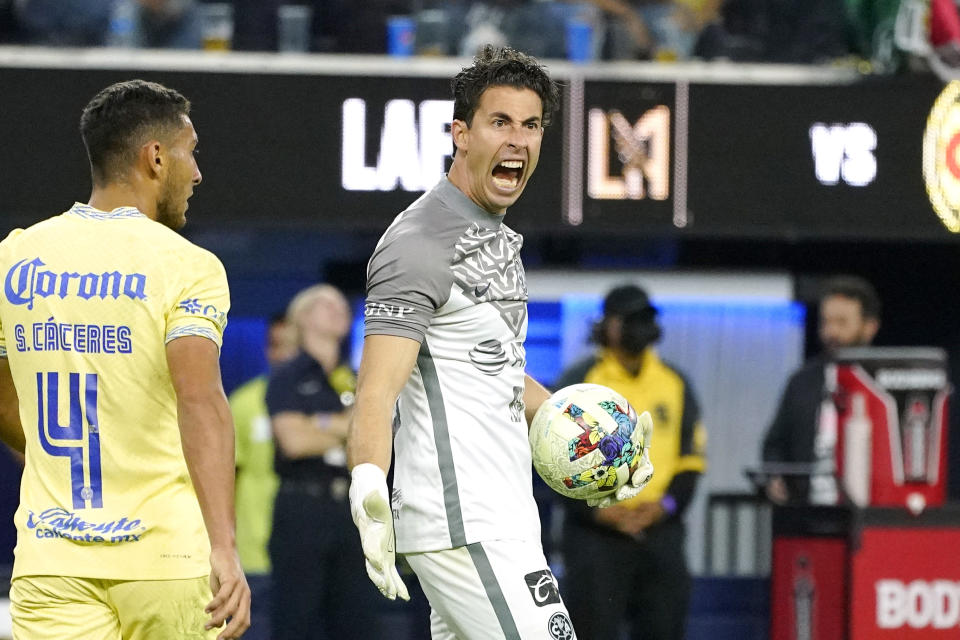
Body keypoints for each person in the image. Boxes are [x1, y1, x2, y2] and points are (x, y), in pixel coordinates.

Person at [346, 45, 652, 639]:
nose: (519, 140)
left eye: (531, 125)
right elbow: (375, 391)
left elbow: (497, 373)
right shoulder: (420, 243)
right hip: (465, 522)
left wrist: (602, 441)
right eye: (500, 122)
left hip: (501, 515)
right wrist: (366, 483)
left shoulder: (492, 235)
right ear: (460, 133)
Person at [0, 79, 249, 639]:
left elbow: (1, 400)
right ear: (155, 158)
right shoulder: (187, 265)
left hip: (52, 557)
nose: (198, 172)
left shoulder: (13, 258)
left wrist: (47, 456)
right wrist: (225, 548)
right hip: (166, 562)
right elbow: (200, 400)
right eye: (192, 152)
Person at [555, 284, 706, 640]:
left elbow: (690, 463)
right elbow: (555, 464)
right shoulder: (579, 382)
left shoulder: (675, 382)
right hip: (595, 537)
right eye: (631, 320)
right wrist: (597, 511)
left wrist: (663, 508)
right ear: (608, 325)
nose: (641, 328)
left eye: (647, 319)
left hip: (660, 534)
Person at [265, 284, 385, 640]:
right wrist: (348, 424)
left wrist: (317, 422)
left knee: (357, 621)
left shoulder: (361, 379)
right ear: (301, 317)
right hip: (303, 508)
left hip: (353, 510)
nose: (337, 309)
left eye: (341, 303)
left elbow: (378, 435)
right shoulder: (288, 376)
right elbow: (294, 441)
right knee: (297, 621)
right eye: (324, 303)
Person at [761, 275, 880, 505]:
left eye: (842, 323)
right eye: (826, 322)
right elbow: (774, 444)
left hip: (870, 518)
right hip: (806, 516)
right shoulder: (801, 381)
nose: (831, 332)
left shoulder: (883, 387)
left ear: (869, 328)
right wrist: (774, 478)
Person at [228, 313, 297, 640]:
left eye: (292, 346)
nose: (282, 354)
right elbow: (227, 479)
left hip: (308, 550)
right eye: (275, 345)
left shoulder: (332, 395)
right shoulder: (243, 402)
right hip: (254, 553)